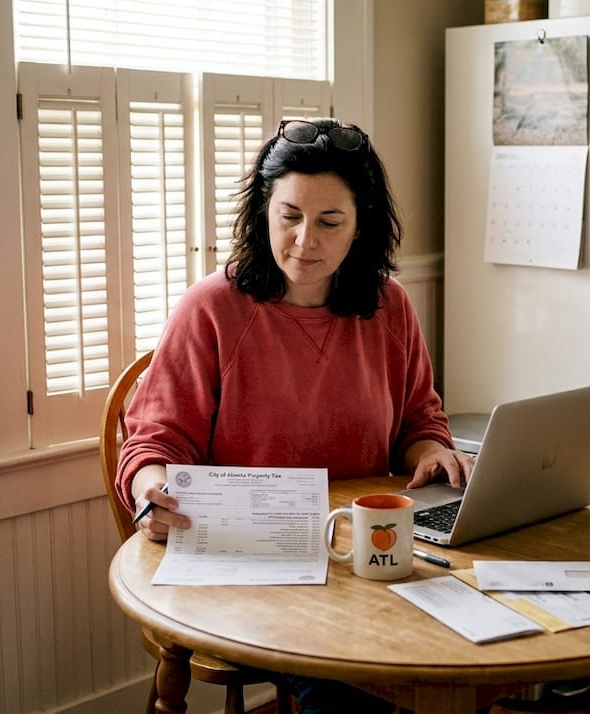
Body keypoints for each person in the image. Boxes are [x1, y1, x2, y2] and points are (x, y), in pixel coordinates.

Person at [115, 117, 476, 713]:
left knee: (465, 668)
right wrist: (153, 491)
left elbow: (419, 420)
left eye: (330, 221)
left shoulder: (389, 306)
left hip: (364, 561)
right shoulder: (211, 309)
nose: (305, 240)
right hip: (255, 566)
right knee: (352, 692)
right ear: (263, 213)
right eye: (289, 217)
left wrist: (432, 451)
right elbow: (154, 442)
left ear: (361, 227)